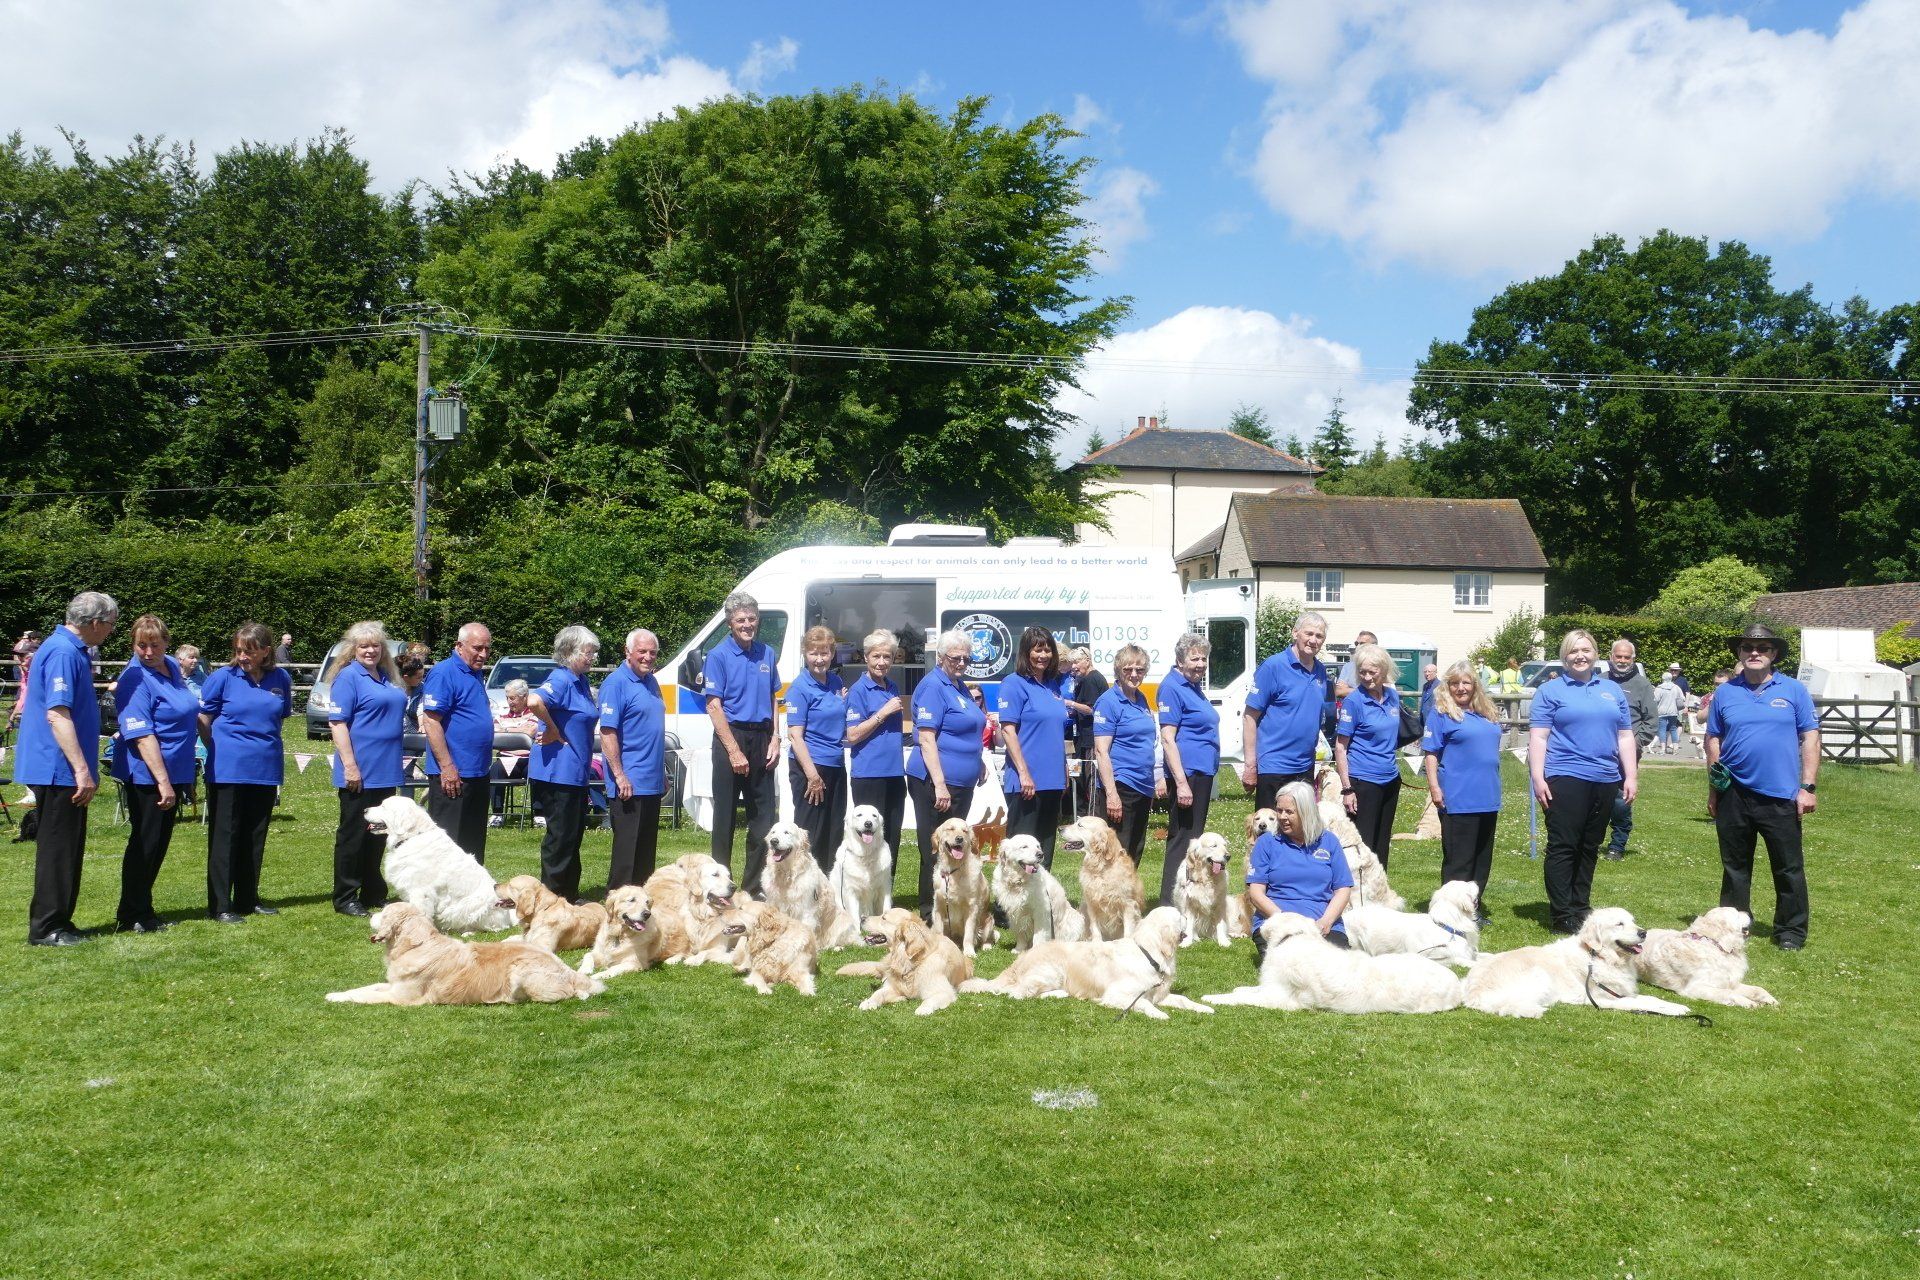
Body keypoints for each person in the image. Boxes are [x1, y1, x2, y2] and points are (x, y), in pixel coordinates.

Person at [1706, 624, 1818, 950]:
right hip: (1733, 792)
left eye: (1763, 648)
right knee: (1735, 867)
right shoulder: (1726, 692)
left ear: (1774, 653)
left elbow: (1811, 737)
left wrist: (1807, 786)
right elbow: (1713, 739)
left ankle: (1790, 931)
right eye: (1748, 648)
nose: (1754, 653)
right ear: (1739, 653)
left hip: (1780, 794)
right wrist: (1714, 789)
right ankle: (1733, 927)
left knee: (1788, 867)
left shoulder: (1794, 690)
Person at [18, 593, 117, 945]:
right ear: (95, 622)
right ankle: (47, 927)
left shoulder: (70, 650)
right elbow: (57, 715)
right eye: (110, 624)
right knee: (58, 850)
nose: (111, 631)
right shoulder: (63, 652)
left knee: (68, 847)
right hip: (58, 768)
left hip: (62, 768)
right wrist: (81, 770)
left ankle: (60, 920)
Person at [1528, 629, 1636, 935]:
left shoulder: (1611, 690)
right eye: (1574, 651)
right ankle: (1562, 914)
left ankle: (1580, 907)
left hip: (1605, 778)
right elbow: (1539, 737)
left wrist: (1631, 775)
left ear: (1595, 654)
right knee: (1564, 845)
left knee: (1589, 846)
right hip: (1565, 776)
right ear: (1565, 656)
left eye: (1586, 650)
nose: (1580, 656)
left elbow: (1625, 736)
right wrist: (1538, 777)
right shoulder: (1550, 691)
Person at [111, 614, 201, 934]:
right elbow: (141, 735)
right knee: (145, 843)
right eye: (141, 645)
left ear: (166, 643)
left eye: (154, 645)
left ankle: (142, 908)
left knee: (159, 843)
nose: (148, 652)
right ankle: (133, 914)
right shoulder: (134, 678)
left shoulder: (172, 667)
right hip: (148, 774)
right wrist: (163, 782)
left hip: (175, 768)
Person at [200, 621, 294, 922]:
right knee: (225, 837)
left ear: (266, 651)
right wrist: (219, 747)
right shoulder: (222, 678)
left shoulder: (280, 678)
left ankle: (247, 898)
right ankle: (220, 905)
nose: (243, 656)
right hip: (227, 769)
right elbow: (203, 719)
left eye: (250, 651)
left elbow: (279, 718)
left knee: (255, 835)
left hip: (264, 768)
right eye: (239, 650)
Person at [325, 621, 406, 918]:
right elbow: (338, 723)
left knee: (378, 833)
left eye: (375, 645)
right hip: (360, 770)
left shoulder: (385, 677)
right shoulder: (349, 677)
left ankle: (373, 891)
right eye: (363, 646)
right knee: (353, 835)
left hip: (387, 769)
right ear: (353, 649)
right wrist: (350, 766)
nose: (370, 650)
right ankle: (346, 896)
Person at [906, 629, 987, 921]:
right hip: (935, 782)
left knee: (956, 849)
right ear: (941, 657)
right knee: (936, 848)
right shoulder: (933, 686)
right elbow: (927, 738)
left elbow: (968, 729)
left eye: (967, 658)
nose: (962, 663)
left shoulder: (959, 686)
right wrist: (940, 785)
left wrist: (977, 760)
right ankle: (931, 913)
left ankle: (951, 908)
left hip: (962, 782)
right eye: (955, 658)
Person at [702, 592, 780, 896]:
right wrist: (734, 750)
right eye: (740, 620)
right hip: (730, 737)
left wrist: (775, 738)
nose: (747, 625)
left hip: (761, 738)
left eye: (751, 619)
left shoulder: (767, 653)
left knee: (764, 819)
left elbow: (774, 698)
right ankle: (719, 887)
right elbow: (713, 706)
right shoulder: (718, 656)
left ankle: (751, 887)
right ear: (730, 624)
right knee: (724, 818)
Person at [1421, 659, 1503, 918]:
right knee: (1460, 860)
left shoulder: (1486, 713)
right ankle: (1450, 912)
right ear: (1448, 686)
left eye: (1466, 682)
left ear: (1474, 685)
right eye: (1455, 683)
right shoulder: (1441, 714)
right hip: (1457, 797)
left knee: (1482, 860)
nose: (1461, 688)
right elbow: (1431, 754)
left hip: (1487, 796)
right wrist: (1434, 787)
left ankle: (1472, 909)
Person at [1246, 779, 1354, 970]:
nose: (1282, 817)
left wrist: (1326, 921)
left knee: (1337, 970)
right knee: (1294, 969)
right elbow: (1256, 893)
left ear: (1306, 812)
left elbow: (1343, 889)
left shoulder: (1329, 841)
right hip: (1278, 921)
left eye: (1289, 812)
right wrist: (1286, 920)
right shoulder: (1267, 843)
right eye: (1279, 810)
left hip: (1322, 922)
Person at [527, 626, 600, 901]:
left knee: (572, 836)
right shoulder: (560, 678)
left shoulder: (580, 680)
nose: (593, 657)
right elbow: (534, 700)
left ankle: (568, 895)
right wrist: (552, 728)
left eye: (593, 652)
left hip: (575, 772)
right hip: (558, 772)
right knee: (559, 838)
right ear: (570, 652)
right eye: (588, 652)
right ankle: (551, 899)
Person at [420, 622, 495, 862]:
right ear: (459, 646)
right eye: (477, 648)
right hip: (453, 775)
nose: (483, 654)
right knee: (448, 847)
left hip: (477, 772)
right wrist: (447, 767)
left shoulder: (475, 673)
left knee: (472, 846)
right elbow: (431, 721)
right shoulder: (444, 673)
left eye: (487, 649)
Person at [599, 628, 667, 890]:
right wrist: (619, 775)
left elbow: (653, 730)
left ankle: (642, 903)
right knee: (626, 856)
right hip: (629, 782)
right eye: (642, 651)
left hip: (651, 781)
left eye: (653, 652)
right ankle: (617, 903)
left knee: (646, 854)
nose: (648, 657)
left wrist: (662, 774)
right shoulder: (615, 683)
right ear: (627, 652)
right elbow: (607, 733)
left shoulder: (651, 681)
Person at [1241, 611, 1331, 808]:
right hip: (1274, 766)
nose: (1313, 640)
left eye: (1319, 636)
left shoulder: (1321, 672)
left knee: (1302, 825)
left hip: (1305, 766)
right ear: (1295, 633)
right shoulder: (1273, 666)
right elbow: (1249, 717)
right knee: (1271, 825)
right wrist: (1250, 765)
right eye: (1309, 633)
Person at [998, 627, 1071, 865]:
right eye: (1037, 650)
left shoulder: (1053, 686)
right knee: (1020, 854)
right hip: (1026, 782)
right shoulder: (1013, 683)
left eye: (1048, 650)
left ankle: (1042, 890)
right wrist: (1024, 773)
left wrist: (1064, 770)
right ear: (1026, 652)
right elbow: (1008, 731)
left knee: (1043, 853)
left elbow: (1055, 731)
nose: (1043, 655)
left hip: (1052, 780)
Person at [1157, 631, 1220, 905]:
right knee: (1182, 840)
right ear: (1180, 660)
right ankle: (1169, 903)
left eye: (1204, 659)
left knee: (1192, 838)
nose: (1200, 664)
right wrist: (1181, 783)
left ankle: (1186, 898)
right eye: (1194, 659)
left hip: (1202, 772)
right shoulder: (1172, 687)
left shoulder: (1193, 687)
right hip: (1188, 774)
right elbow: (1167, 738)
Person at [783, 625, 849, 870]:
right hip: (810, 767)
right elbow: (795, 736)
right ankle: (802, 882)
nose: (819, 659)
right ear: (805, 654)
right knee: (810, 834)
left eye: (824, 653)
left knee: (834, 830)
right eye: (813, 653)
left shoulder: (836, 682)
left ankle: (828, 884)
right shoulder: (799, 688)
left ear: (832, 654)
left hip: (835, 765)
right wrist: (812, 776)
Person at [1334, 642, 1406, 865]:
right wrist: (1347, 788)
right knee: (1363, 845)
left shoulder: (1392, 696)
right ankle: (1357, 885)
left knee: (1382, 843)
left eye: (1372, 672)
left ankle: (1380, 883)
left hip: (1390, 779)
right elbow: (1340, 747)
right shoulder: (1353, 701)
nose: (1366, 677)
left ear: (1384, 670)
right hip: (1363, 781)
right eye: (1362, 672)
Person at [1093, 643, 1163, 864]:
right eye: (1128, 669)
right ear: (1118, 670)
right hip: (1122, 784)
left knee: (1134, 850)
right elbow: (1101, 751)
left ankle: (1128, 887)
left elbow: (1149, 743)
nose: (1134, 674)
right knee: (1116, 854)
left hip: (1143, 786)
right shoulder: (1108, 702)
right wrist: (1112, 795)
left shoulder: (1141, 699)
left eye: (1139, 670)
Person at [843, 630, 908, 863]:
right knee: (867, 840)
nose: (882, 662)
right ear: (866, 657)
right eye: (876, 656)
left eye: (887, 657)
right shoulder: (858, 691)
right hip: (869, 775)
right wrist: (883, 713)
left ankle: (887, 883)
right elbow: (852, 735)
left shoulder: (891, 687)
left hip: (895, 773)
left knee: (891, 837)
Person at [1601, 638, 1657, 862]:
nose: (1622, 660)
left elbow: (1651, 721)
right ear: (1611, 657)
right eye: (1619, 656)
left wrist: (1636, 744)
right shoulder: (1599, 681)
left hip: (1626, 755)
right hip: (1597, 752)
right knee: (1593, 797)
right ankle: (1589, 840)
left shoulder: (1642, 685)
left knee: (1620, 799)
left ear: (1633, 659)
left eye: (1627, 657)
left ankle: (1617, 845)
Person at [1063, 646, 1107, 816]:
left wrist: (1069, 703)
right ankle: (1081, 815)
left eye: (1076, 662)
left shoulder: (1091, 679)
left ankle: (1093, 817)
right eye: (1071, 663)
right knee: (1081, 777)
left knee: (1092, 779)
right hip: (1084, 736)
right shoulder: (1084, 679)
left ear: (1087, 661)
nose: (1073, 667)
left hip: (1092, 738)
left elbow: (1091, 709)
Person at [1654, 665, 1686, 754]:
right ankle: (1675, 749)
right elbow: (1682, 698)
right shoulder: (1676, 687)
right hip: (1673, 711)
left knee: (1662, 729)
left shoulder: (1659, 688)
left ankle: (1663, 749)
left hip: (1661, 711)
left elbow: (1655, 699)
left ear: (1663, 678)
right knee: (1673, 729)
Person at [398, 653, 428, 732]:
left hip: (412, 730)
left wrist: (422, 725)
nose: (422, 679)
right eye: (418, 677)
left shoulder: (422, 688)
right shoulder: (391, 690)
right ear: (406, 677)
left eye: (423, 676)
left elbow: (421, 708)